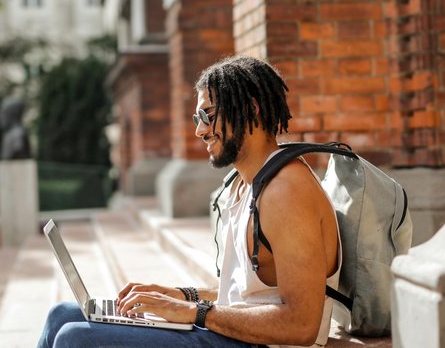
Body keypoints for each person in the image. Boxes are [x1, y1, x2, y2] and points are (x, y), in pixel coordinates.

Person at [37, 55, 340, 348]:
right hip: (235, 336)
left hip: (258, 344)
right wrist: (180, 296)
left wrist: (196, 313)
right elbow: (245, 296)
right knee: (60, 316)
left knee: (75, 339)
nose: (199, 130)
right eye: (197, 117)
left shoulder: (286, 191)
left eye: (208, 115)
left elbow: (301, 325)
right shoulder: (244, 184)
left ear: (250, 109)